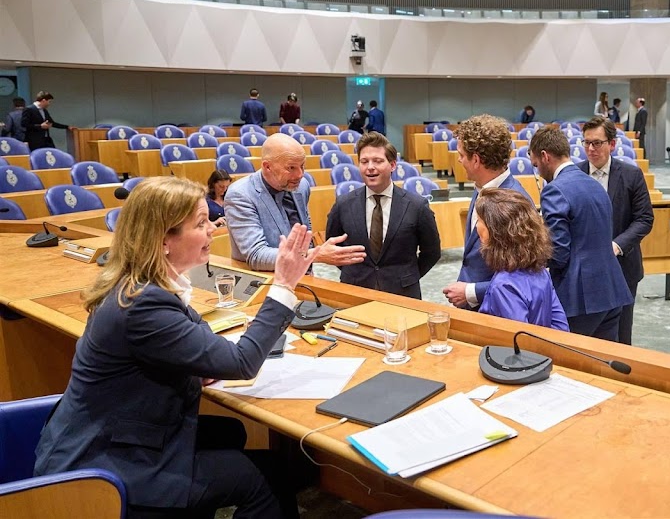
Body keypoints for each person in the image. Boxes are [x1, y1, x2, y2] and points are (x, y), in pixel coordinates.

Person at [34, 177, 315, 518]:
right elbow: (241, 362)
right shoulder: (144, 305)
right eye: (200, 223)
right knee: (268, 477)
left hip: (119, 433)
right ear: (164, 240)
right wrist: (284, 284)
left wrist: (200, 365)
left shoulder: (144, 285)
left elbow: (200, 345)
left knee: (231, 431)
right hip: (105, 462)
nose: (213, 229)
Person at [528, 126, 633, 341]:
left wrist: (529, 260)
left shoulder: (554, 190)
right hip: (610, 291)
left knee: (574, 366)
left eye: (536, 165)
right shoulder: (594, 184)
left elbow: (558, 253)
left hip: (579, 299)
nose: (537, 171)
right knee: (604, 365)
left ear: (545, 156)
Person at [224, 133, 365, 271]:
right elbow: (257, 256)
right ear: (267, 167)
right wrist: (315, 254)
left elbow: (305, 231)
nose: (300, 175)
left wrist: (308, 257)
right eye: (291, 168)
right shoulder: (240, 195)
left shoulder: (302, 186)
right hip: (264, 282)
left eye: (302, 166)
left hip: (303, 275)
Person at [325, 132, 441, 299]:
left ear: (393, 165)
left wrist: (407, 276)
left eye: (378, 161)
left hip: (403, 293)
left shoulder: (416, 206)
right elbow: (335, 246)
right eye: (364, 162)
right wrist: (355, 273)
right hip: (355, 290)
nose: (370, 167)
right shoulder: (343, 204)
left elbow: (432, 252)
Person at [442, 114, 530, 309]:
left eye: (462, 155)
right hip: (474, 307)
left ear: (476, 159)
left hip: (498, 310)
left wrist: (471, 292)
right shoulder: (482, 188)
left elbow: (525, 277)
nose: (458, 160)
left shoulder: (514, 203)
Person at [579, 117, 654, 344]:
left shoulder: (631, 175)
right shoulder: (575, 174)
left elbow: (644, 219)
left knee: (621, 336)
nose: (591, 149)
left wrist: (617, 245)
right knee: (586, 334)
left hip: (622, 268)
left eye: (597, 143)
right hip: (583, 271)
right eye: (587, 143)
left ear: (612, 144)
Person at [473, 188, 569, 330]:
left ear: (495, 232)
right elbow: (561, 328)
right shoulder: (540, 272)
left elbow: (519, 342)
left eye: (480, 220)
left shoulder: (504, 285)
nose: (476, 226)